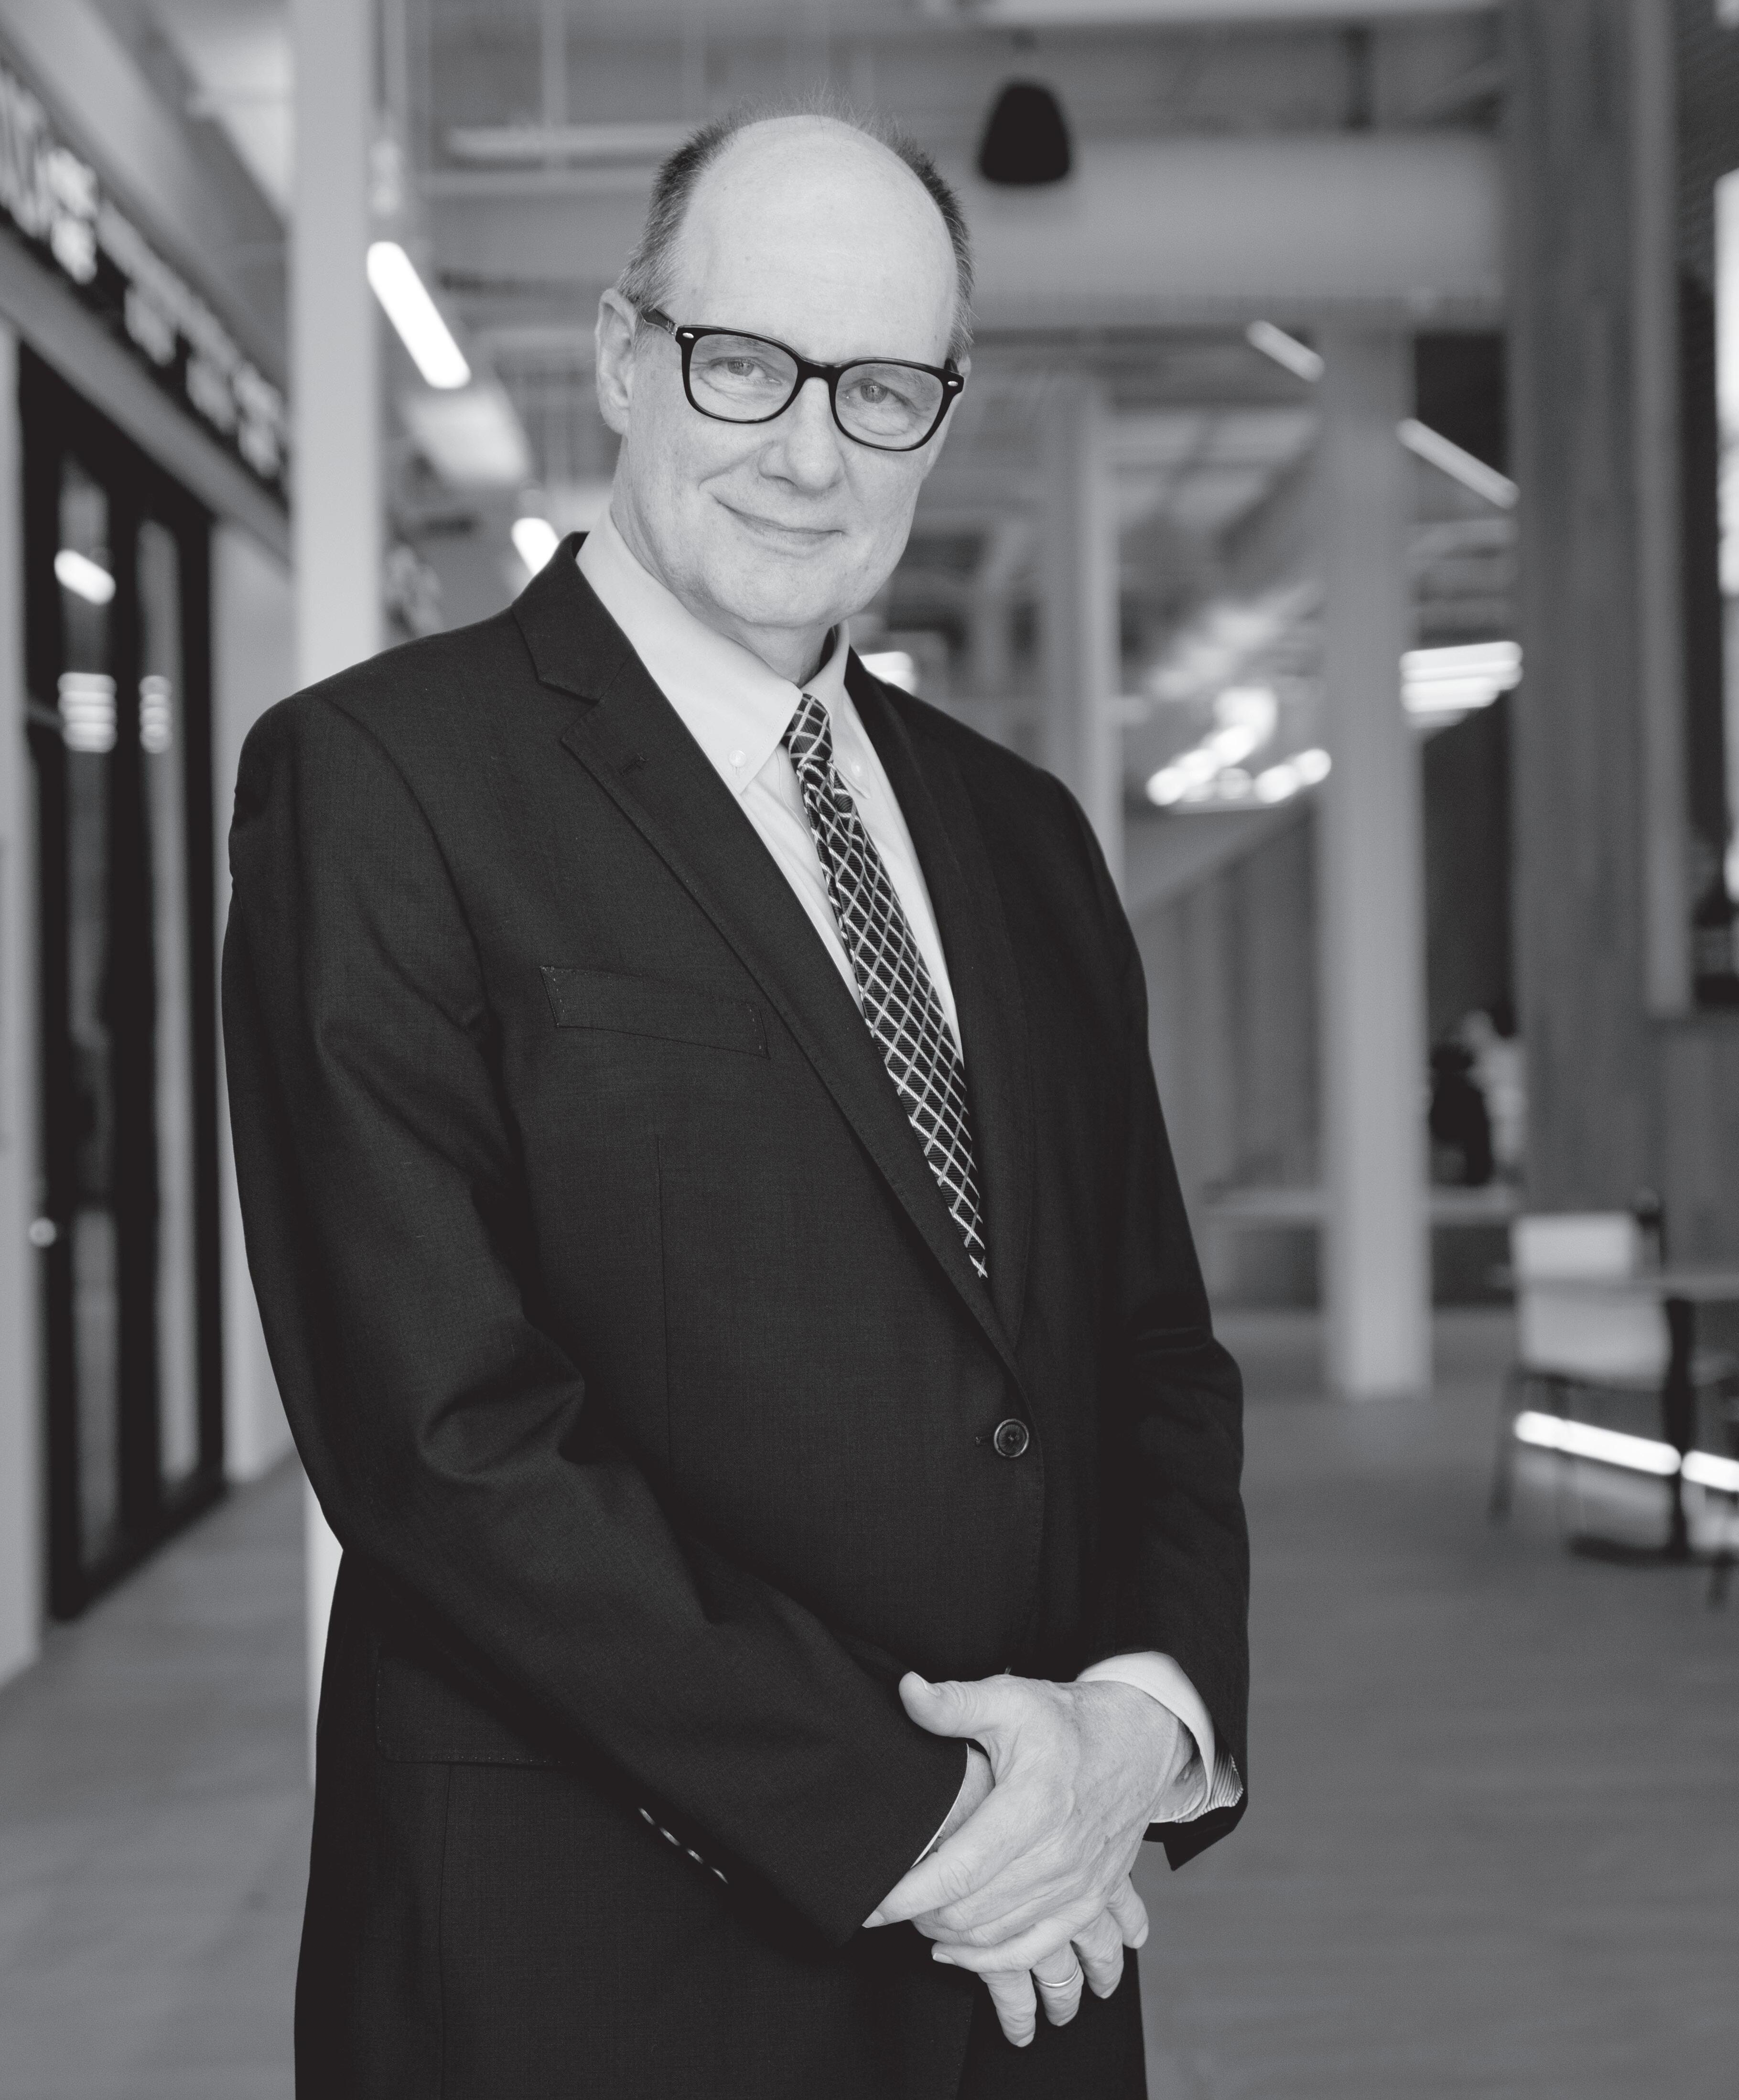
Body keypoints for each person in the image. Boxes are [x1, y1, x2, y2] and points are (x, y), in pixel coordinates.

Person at [224, 103, 1248, 2100]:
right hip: (593, 1967)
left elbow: (1148, 1346)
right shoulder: (381, 781)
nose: (808, 451)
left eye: (880, 390)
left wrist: (1141, 1718)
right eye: (744, 364)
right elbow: (440, 1438)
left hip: (1030, 1962)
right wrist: (932, 1820)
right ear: (626, 355)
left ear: (939, 418)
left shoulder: (1026, 835)